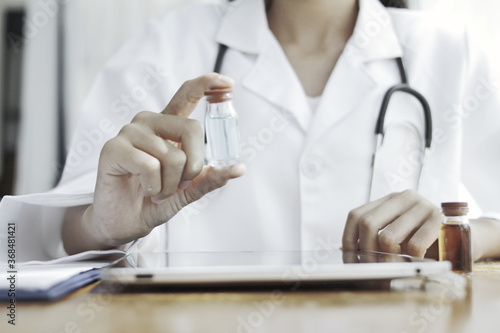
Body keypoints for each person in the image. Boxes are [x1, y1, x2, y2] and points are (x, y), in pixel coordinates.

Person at [1, 0, 500, 263]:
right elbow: (39, 244)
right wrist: (102, 227)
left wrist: (463, 237)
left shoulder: (450, 52)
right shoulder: (165, 46)